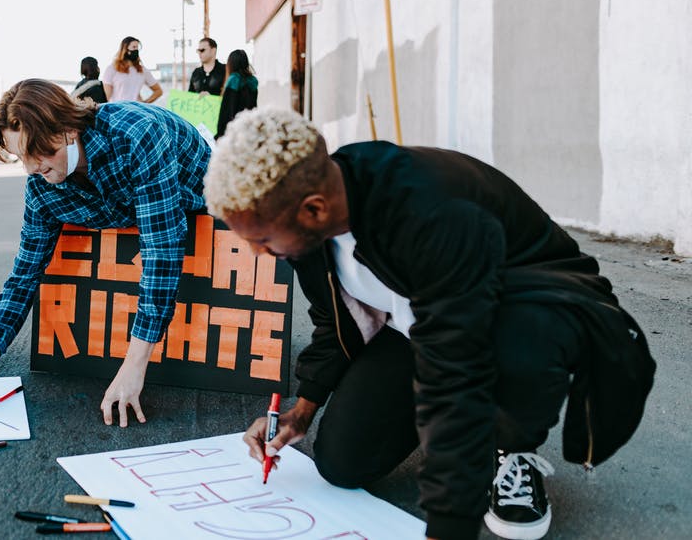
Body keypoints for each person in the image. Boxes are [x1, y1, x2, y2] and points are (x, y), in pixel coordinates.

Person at [203, 109, 654, 540]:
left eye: (262, 240)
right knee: (342, 463)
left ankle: (511, 448)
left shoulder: (428, 210)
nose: (260, 253)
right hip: (419, 325)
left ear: (315, 209)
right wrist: (301, 411)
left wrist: (447, 524)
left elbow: (457, 371)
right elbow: (332, 323)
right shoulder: (306, 228)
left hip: (516, 308)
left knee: (513, 354)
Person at [0, 79, 211, 427]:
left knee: (173, 235)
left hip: (198, 186)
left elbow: (162, 250)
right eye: (20, 156)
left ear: (69, 129)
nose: (31, 167)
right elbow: (24, 276)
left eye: (38, 150)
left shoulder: (137, 136)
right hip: (121, 209)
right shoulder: (41, 187)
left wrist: (134, 365)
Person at [101, 36, 163, 103]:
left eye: (137, 48)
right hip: (118, 109)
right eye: (134, 47)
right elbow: (107, 96)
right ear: (125, 49)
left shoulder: (142, 70)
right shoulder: (112, 69)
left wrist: (145, 103)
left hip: (135, 110)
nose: (136, 50)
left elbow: (158, 91)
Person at [215, 49, 258, 139]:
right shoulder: (253, 81)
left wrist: (220, 133)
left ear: (231, 63)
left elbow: (226, 110)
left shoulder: (233, 79)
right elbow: (254, 107)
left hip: (234, 130)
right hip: (249, 126)